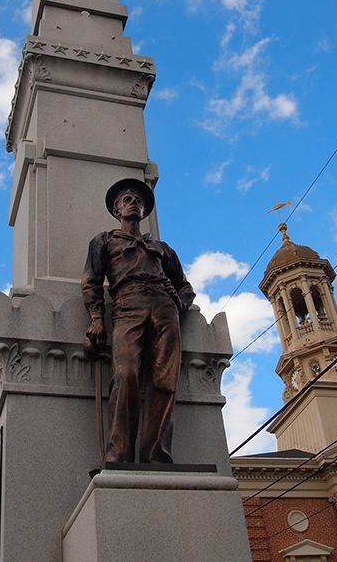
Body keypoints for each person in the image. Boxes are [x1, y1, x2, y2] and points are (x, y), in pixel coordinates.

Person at [82, 178, 196, 465]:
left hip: (165, 307)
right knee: (126, 374)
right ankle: (118, 454)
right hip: (127, 303)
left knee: (165, 381)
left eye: (137, 200)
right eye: (126, 199)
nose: (132, 202)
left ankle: (155, 454)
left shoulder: (161, 247)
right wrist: (96, 318)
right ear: (117, 210)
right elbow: (91, 281)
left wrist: (180, 302)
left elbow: (185, 285)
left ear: (144, 211)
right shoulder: (105, 240)